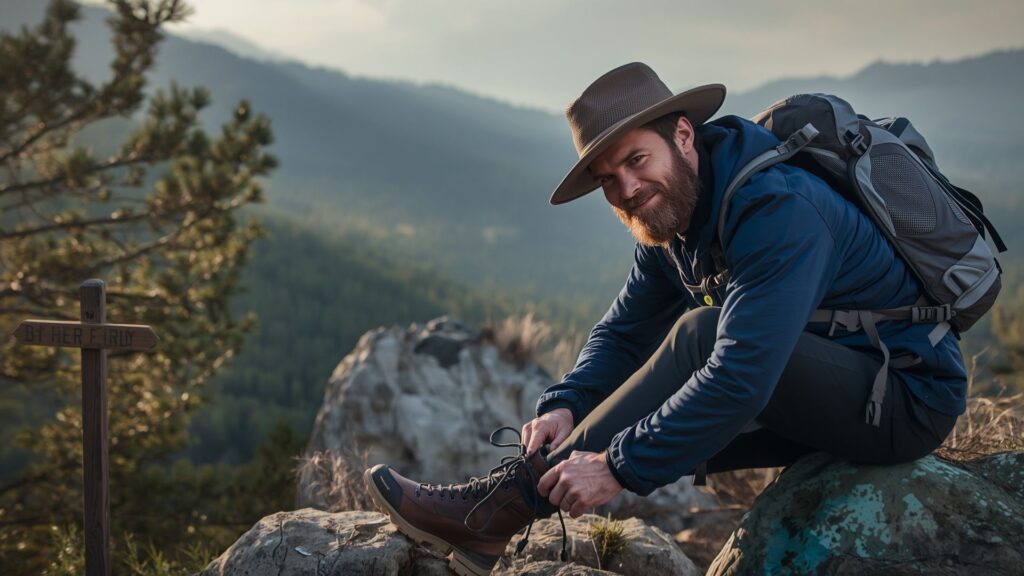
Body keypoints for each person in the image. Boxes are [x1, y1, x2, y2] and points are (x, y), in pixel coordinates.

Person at [364, 62, 966, 576]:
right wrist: (565, 401)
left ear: (683, 136)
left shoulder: (776, 208)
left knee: (701, 336)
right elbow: (624, 332)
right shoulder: (676, 220)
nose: (626, 188)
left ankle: (498, 511)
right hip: (831, 384)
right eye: (607, 180)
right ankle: (505, 504)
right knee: (685, 352)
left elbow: (739, 374)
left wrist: (618, 466)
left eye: (635, 160)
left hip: (906, 397)